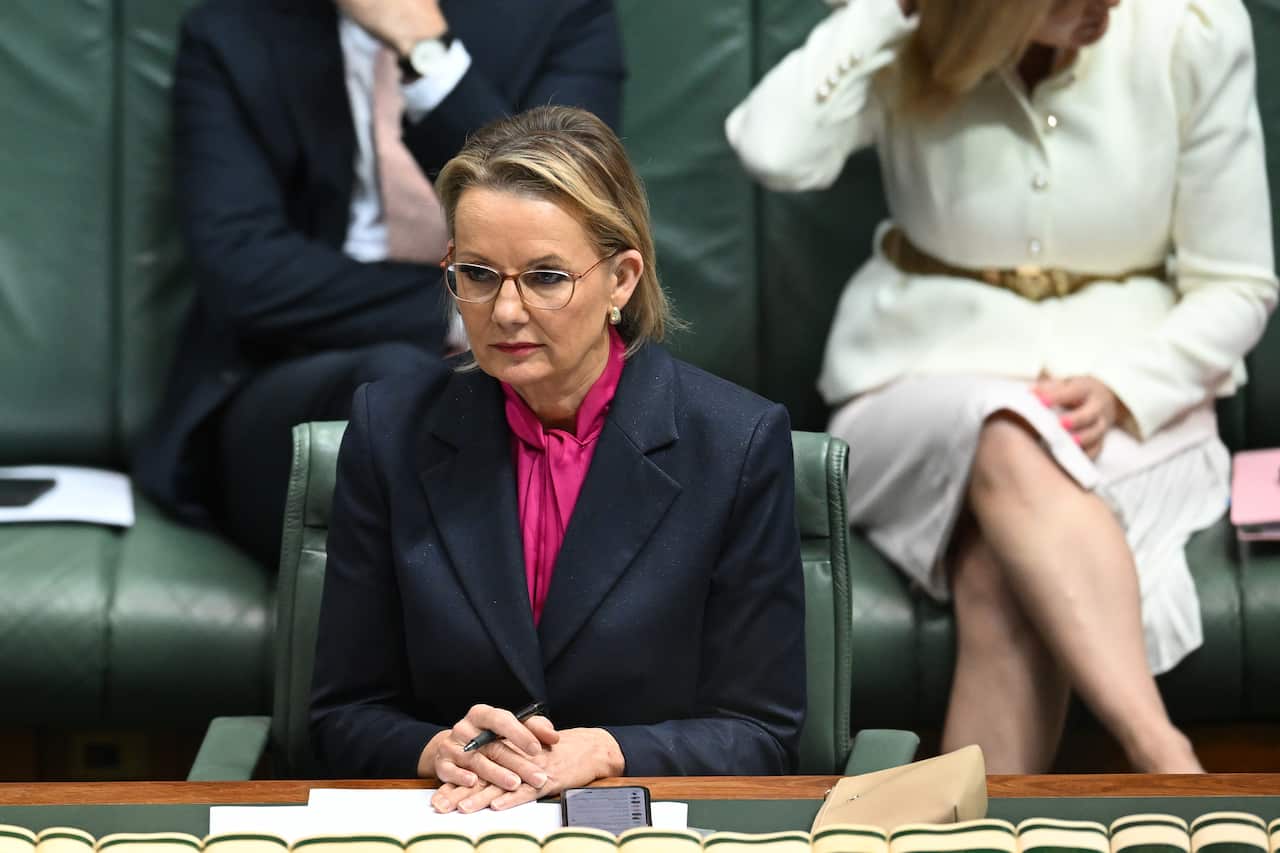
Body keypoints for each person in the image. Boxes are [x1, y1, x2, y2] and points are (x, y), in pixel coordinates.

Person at [727, 0, 1277, 773]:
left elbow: (1240, 284)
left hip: (1133, 400)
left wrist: (1124, 385)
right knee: (1005, 428)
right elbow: (771, 148)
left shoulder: (1194, 26)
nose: (1106, 6)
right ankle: (1165, 756)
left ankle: (963, 830)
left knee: (998, 573)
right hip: (915, 387)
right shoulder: (910, 30)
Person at [309, 106, 807, 799]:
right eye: (478, 274)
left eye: (545, 277)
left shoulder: (735, 443)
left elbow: (762, 732)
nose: (505, 311)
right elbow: (343, 714)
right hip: (457, 825)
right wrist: (437, 748)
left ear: (622, 278)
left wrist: (609, 750)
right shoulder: (389, 428)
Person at [134, 0, 624, 568]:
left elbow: (572, 226)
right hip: (289, 379)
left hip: (526, 369)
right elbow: (240, 271)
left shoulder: (561, 15)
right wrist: (463, 308)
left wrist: (428, 54)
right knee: (398, 392)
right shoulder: (235, 28)